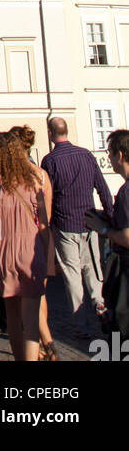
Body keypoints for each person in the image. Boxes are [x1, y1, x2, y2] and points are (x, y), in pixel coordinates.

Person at [42, 115, 114, 338]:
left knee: (73, 277)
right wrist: (109, 216)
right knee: (93, 270)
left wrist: (48, 226)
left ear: (51, 134)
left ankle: (81, 326)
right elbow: (102, 188)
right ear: (67, 131)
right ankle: (100, 305)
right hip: (90, 223)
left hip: (64, 225)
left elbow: (47, 197)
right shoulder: (86, 155)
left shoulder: (50, 161)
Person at [0, 132, 48, 362]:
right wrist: (48, 257)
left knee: (12, 316)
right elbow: (44, 225)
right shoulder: (35, 180)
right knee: (31, 322)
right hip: (31, 250)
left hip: (5, 250)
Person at [9, 124, 57, 360]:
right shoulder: (41, 174)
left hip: (22, 242)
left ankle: (45, 343)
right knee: (40, 296)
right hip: (41, 238)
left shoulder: (11, 177)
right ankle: (40, 343)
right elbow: (46, 215)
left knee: (24, 303)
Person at [86, 129, 129, 340]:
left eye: (110, 153)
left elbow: (128, 237)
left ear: (120, 155)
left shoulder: (127, 192)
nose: (109, 158)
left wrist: (103, 229)